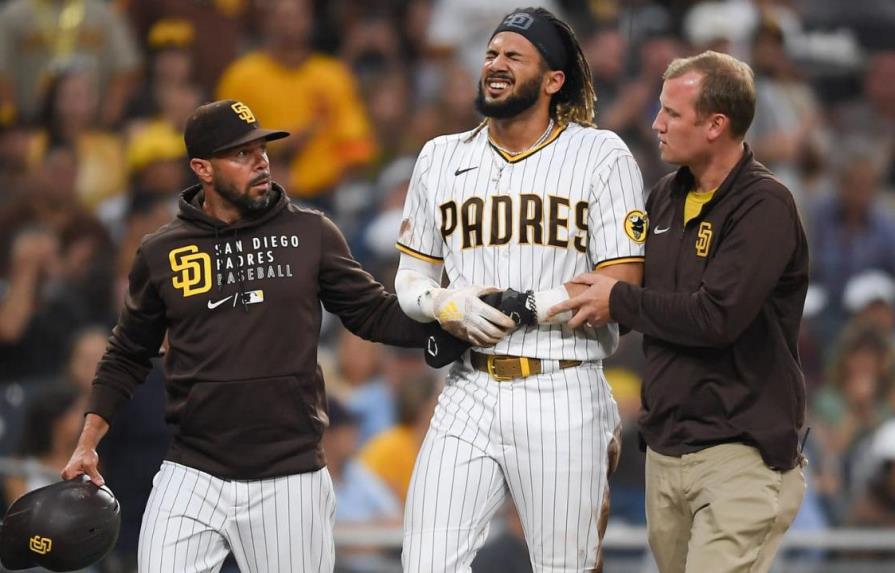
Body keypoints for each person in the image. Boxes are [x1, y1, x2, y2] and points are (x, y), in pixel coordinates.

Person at [60, 99, 448, 573]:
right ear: (202, 168)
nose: (260, 161)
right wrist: (87, 442)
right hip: (192, 469)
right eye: (241, 154)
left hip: (288, 473)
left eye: (261, 149)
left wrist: (451, 319)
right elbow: (127, 354)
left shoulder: (311, 233)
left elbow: (373, 315)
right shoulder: (162, 251)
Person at [394, 8, 645, 571]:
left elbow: (623, 281)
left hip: (563, 383)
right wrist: (441, 302)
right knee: (424, 562)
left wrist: (527, 305)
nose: (495, 65)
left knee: (565, 565)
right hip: (469, 386)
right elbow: (410, 277)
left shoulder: (600, 153)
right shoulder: (440, 155)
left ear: (554, 80)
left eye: (514, 56)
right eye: (490, 54)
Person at [552, 50, 809, 573]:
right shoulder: (665, 197)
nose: (656, 123)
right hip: (666, 451)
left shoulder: (765, 206)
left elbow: (717, 318)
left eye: (671, 112)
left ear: (716, 125)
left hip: (741, 454)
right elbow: (627, 301)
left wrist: (617, 299)